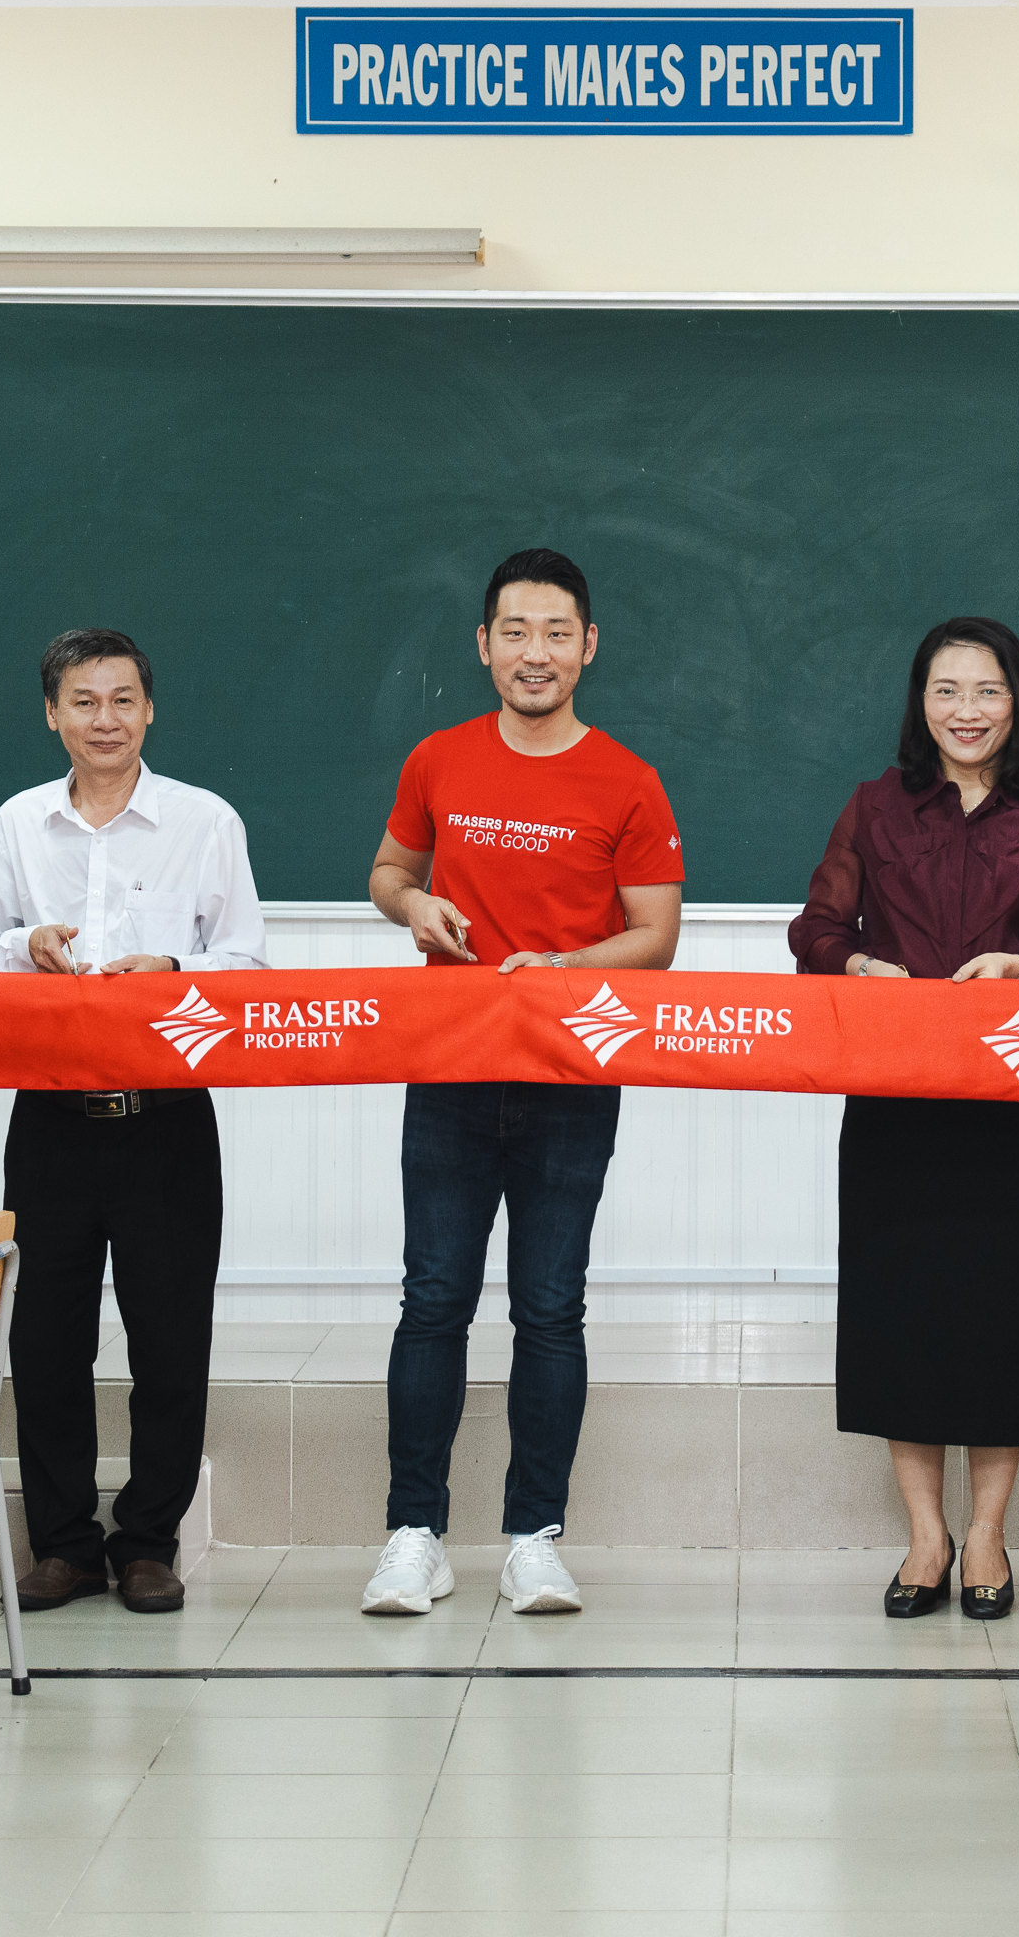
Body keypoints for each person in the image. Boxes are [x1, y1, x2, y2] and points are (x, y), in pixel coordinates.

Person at [360, 547, 683, 1617]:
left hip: (569, 1075)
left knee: (549, 1308)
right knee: (433, 1301)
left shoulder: (628, 778)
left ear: (587, 646)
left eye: (556, 632)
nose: (534, 652)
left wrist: (567, 969)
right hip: (450, 1064)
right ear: (485, 644)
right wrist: (414, 909)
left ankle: (533, 1537)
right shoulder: (438, 758)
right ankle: (414, 1532)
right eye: (514, 631)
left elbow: (657, 933)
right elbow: (388, 871)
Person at [788, 617, 1019, 1621]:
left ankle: (987, 1534)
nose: (965, 710)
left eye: (985, 691)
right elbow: (816, 927)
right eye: (945, 690)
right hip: (894, 1103)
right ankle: (924, 1535)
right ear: (919, 702)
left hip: (1011, 1105)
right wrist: (856, 963)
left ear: (1016, 702)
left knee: (998, 1315)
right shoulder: (875, 807)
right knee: (904, 1311)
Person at [0, 627, 269, 1616]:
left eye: (123, 699)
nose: (105, 719)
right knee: (46, 1338)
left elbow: (251, 966)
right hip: (49, 1115)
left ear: (150, 710)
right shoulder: (17, 825)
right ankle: (62, 1542)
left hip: (165, 1118)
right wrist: (22, 947)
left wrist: (173, 970)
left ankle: (147, 1541)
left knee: (171, 1335)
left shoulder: (205, 820)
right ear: (51, 713)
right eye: (83, 701)